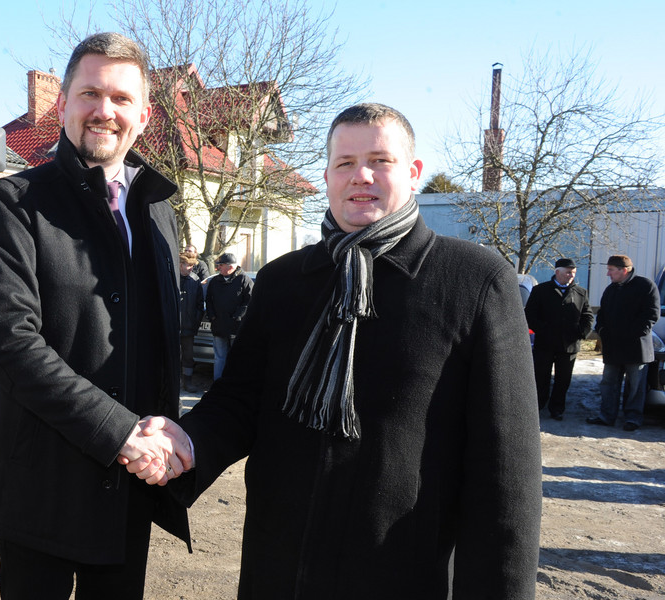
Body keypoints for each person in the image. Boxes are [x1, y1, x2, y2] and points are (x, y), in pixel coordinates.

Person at [128, 103, 541, 598]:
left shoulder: (474, 281)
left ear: (412, 174)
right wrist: (183, 443)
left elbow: (506, 474)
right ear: (326, 177)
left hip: (399, 573)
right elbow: (240, 401)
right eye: (345, 163)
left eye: (380, 161)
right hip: (278, 566)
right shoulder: (283, 281)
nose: (361, 175)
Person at [0, 32, 190, 599]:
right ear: (62, 103)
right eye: (90, 93)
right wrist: (121, 432)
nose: (104, 111)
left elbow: (160, 341)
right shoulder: (13, 204)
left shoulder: (159, 210)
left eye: (121, 98)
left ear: (144, 113)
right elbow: (10, 344)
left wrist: (164, 435)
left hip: (127, 493)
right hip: (41, 490)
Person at [588, 254, 659, 431]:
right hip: (613, 347)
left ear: (624, 270)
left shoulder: (646, 286)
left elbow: (651, 316)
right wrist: (602, 331)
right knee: (608, 384)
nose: (608, 274)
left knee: (635, 387)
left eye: (611, 270)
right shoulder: (611, 290)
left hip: (637, 348)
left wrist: (632, 334)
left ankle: (633, 419)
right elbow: (602, 315)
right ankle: (606, 416)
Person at [524, 257, 593, 420]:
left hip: (568, 345)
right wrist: (544, 330)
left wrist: (581, 333)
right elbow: (530, 315)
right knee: (541, 377)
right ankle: (538, 406)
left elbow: (587, 316)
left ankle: (557, 408)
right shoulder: (541, 290)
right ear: (557, 272)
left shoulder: (580, 292)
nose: (571, 276)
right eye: (568, 272)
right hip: (545, 344)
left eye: (573, 273)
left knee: (563, 379)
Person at [204, 252, 252, 380]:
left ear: (230, 267)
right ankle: (218, 384)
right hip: (219, 326)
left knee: (236, 358)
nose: (218, 267)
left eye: (221, 265)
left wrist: (237, 316)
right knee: (219, 357)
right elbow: (208, 300)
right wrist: (212, 316)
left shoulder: (244, 280)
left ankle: (232, 386)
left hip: (236, 327)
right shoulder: (215, 281)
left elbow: (250, 301)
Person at [179, 251, 205, 392]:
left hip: (189, 327)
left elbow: (200, 304)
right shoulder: (172, 278)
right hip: (173, 327)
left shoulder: (195, 281)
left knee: (188, 357)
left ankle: (187, 383)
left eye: (191, 266)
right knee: (172, 356)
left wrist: (195, 322)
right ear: (180, 265)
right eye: (187, 265)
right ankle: (173, 382)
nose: (190, 268)